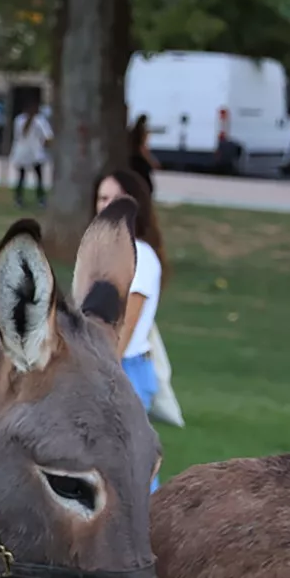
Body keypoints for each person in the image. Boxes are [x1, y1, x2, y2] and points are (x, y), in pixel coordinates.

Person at [93, 167, 170, 485]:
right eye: (101, 198)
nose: (106, 205)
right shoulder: (102, 254)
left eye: (115, 198)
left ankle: (151, 533)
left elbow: (126, 327)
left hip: (124, 371)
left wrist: (99, 373)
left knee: (131, 474)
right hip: (103, 364)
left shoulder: (142, 258)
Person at [11, 98, 53, 208]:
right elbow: (23, 133)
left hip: (35, 152)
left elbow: (48, 136)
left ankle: (40, 199)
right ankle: (19, 199)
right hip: (24, 151)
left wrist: (45, 144)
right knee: (22, 177)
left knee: (38, 177)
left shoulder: (40, 121)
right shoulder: (20, 120)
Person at [128, 114, 159, 196]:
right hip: (140, 161)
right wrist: (152, 161)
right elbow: (143, 149)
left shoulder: (132, 132)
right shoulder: (142, 132)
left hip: (133, 160)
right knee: (148, 187)